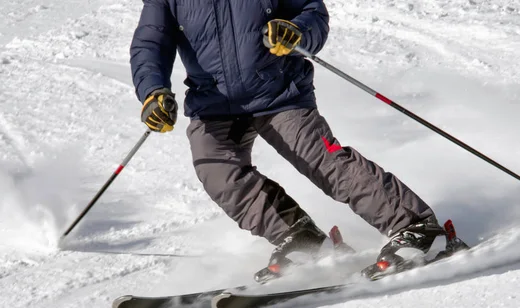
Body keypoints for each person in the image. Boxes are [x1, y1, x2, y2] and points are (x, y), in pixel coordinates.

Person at [130, 0, 445, 282]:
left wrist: (296, 32)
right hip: (212, 104)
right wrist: (152, 93)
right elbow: (150, 44)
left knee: (323, 161)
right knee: (218, 175)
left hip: (278, 95)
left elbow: (312, 12)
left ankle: (416, 227)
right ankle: (302, 239)